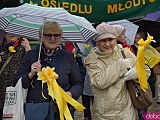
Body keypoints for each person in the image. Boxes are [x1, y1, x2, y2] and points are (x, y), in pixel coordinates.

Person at [13, 21, 83, 119]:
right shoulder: (31, 55)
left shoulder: (68, 57)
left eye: (56, 35)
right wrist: (30, 74)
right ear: (41, 37)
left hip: (61, 112)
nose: (53, 38)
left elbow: (78, 83)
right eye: (48, 35)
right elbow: (16, 82)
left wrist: (70, 94)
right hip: (36, 112)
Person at [83, 22, 151, 120]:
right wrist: (119, 65)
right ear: (97, 42)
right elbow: (99, 81)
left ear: (115, 39)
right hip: (104, 114)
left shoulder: (124, 52)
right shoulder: (92, 59)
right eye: (103, 40)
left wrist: (137, 73)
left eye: (110, 39)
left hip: (126, 111)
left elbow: (146, 70)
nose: (107, 44)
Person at [0, 33, 31, 120]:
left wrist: (28, 49)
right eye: (8, 31)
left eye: (13, 31)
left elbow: (32, 64)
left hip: (17, 91)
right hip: (1, 93)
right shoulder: (1, 47)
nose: (12, 34)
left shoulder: (24, 45)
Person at [132, 30, 155, 120]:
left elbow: (151, 63)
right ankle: (141, 115)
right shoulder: (131, 48)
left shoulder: (147, 48)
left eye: (139, 38)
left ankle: (144, 114)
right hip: (138, 76)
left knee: (146, 98)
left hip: (147, 76)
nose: (137, 40)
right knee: (139, 98)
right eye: (135, 38)